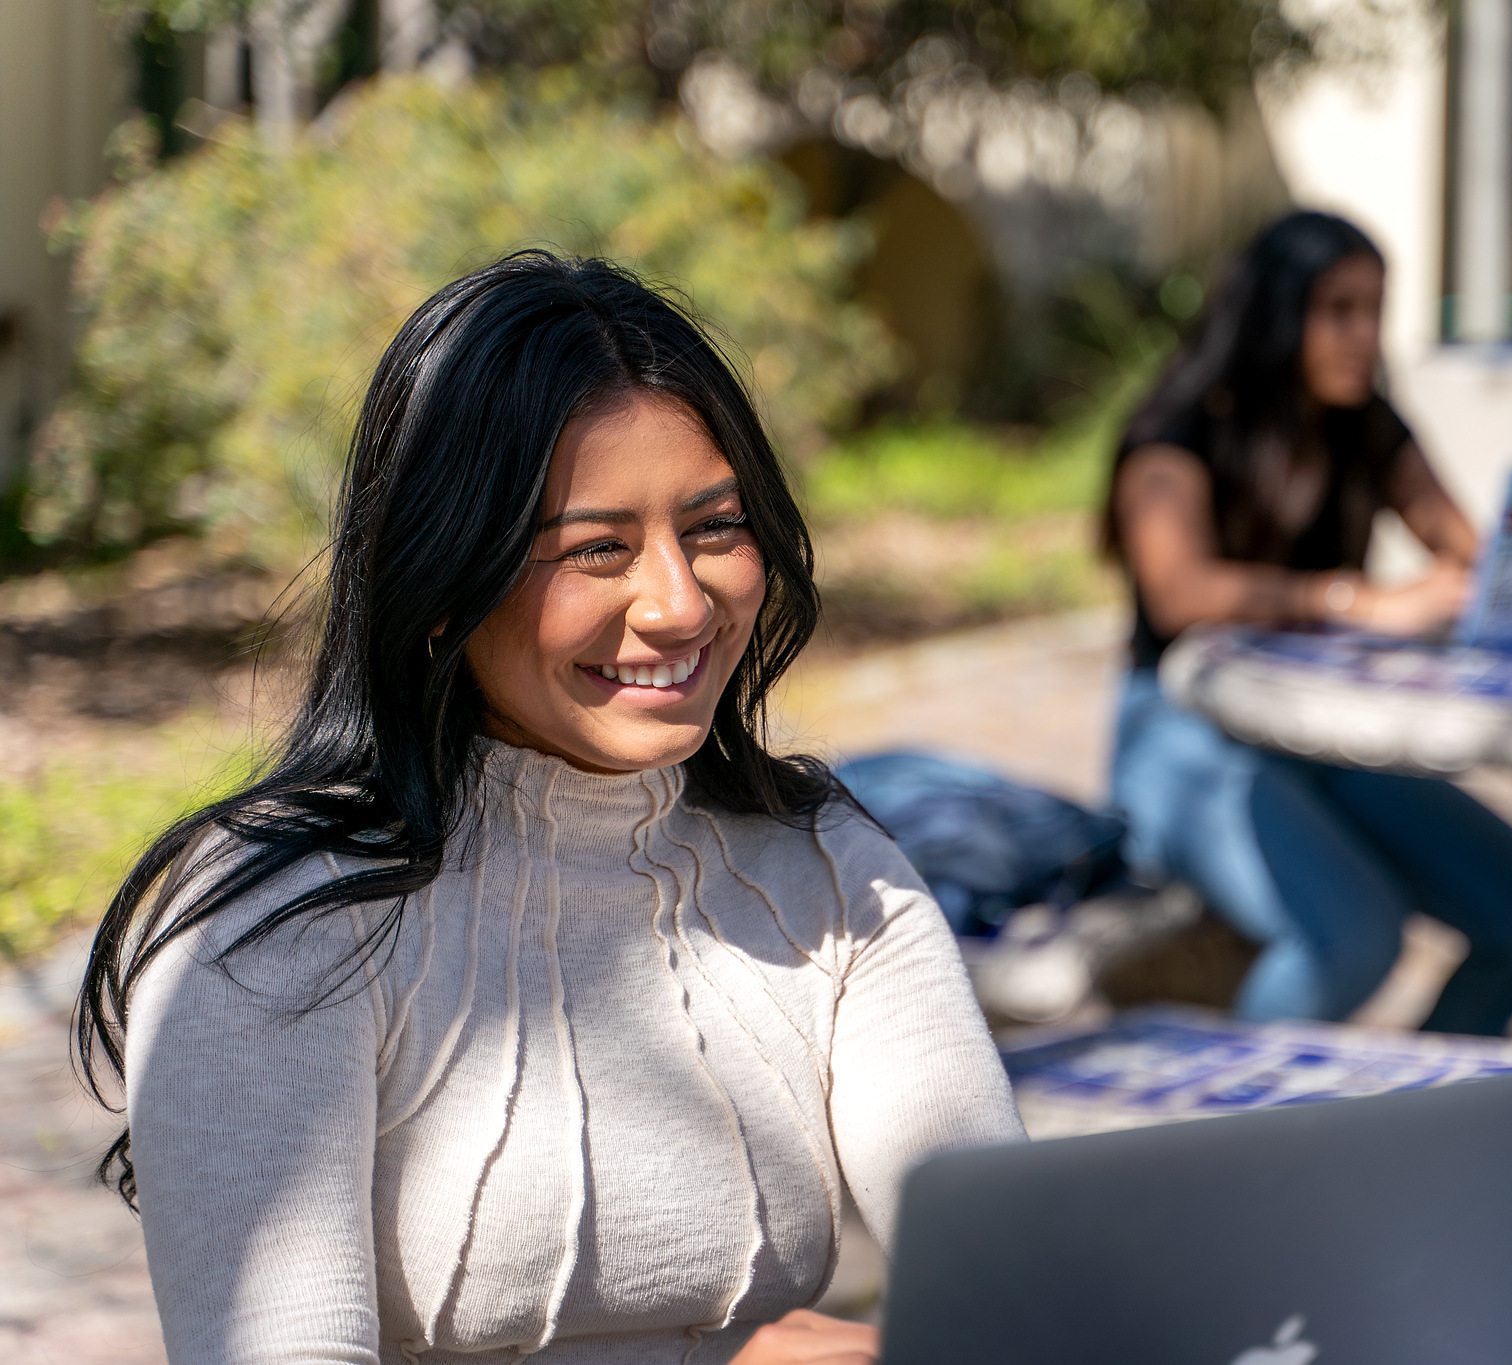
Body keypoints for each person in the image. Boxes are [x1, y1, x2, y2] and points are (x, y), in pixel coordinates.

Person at [77, 252, 1022, 1365]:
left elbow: (1005, 1283)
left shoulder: (826, 871)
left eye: (715, 528)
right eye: (596, 549)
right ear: (439, 588)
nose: (678, 605)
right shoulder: (277, 924)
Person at [1106, 211, 1512, 1033]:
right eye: (1338, 309)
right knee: (1349, 940)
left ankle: (1424, 1133)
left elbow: (1475, 556)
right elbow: (1180, 591)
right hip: (1180, 734)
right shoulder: (1178, 432)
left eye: (1375, 309)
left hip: (1322, 734)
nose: (1363, 334)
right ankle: (1224, 1151)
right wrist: (1356, 601)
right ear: (1277, 315)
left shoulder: (1368, 426)